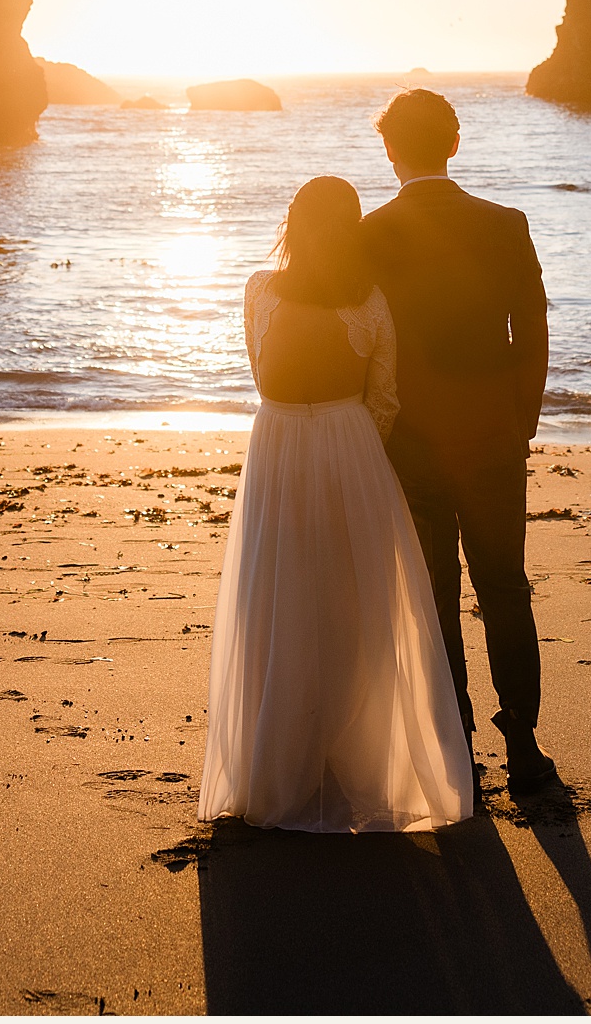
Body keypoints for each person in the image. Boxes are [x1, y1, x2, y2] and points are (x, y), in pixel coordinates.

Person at [197, 175, 476, 833]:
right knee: (352, 612)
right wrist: (353, 456)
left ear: (292, 223)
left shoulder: (260, 290)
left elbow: (260, 371)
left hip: (278, 444)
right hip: (349, 451)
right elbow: (386, 397)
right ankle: (352, 761)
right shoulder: (371, 302)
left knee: (277, 601)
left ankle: (282, 767)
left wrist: (304, 428)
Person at [360, 89, 559, 793]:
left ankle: (457, 746)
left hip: (410, 442)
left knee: (436, 592)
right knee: (506, 586)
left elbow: (368, 346)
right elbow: (532, 332)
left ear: (390, 150)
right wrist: (522, 420)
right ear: (453, 143)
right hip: (492, 438)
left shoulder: (370, 232)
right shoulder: (506, 224)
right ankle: (526, 746)